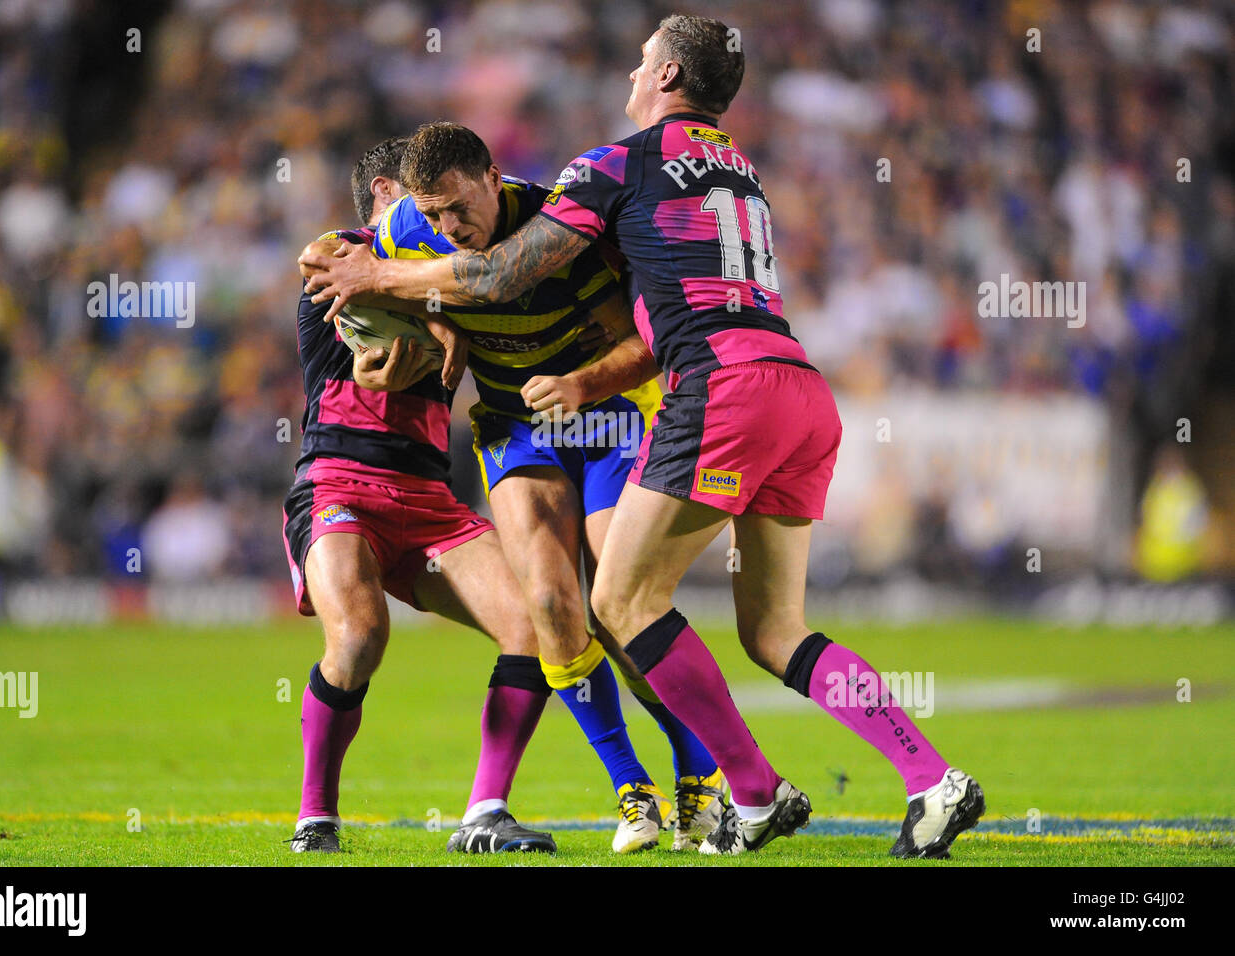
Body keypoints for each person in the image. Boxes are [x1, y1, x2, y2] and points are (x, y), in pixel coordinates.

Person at [301, 16, 985, 858]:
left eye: (640, 59)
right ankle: (931, 780)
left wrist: (378, 274)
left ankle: (753, 792)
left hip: (717, 387)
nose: (629, 70)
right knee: (775, 631)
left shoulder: (612, 165)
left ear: (665, 75)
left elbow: (506, 271)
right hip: (799, 388)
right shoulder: (742, 170)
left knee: (618, 603)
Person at [317, 121, 724, 852]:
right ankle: (633, 791)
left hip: (608, 418)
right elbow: (323, 257)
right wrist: (433, 323)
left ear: (491, 175)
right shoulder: (410, 227)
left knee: (618, 603)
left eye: (455, 207)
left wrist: (583, 380)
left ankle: (701, 775)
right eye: (431, 213)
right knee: (547, 601)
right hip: (514, 426)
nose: (446, 227)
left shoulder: (562, 226)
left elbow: (645, 343)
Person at [285, 138, 556, 854]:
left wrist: (440, 319)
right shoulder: (340, 252)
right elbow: (324, 263)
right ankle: (317, 816)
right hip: (339, 482)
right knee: (360, 635)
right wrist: (431, 322)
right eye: (415, 198)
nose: (433, 217)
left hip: (430, 495)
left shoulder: (452, 273)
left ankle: (486, 812)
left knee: (536, 625)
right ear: (384, 192)